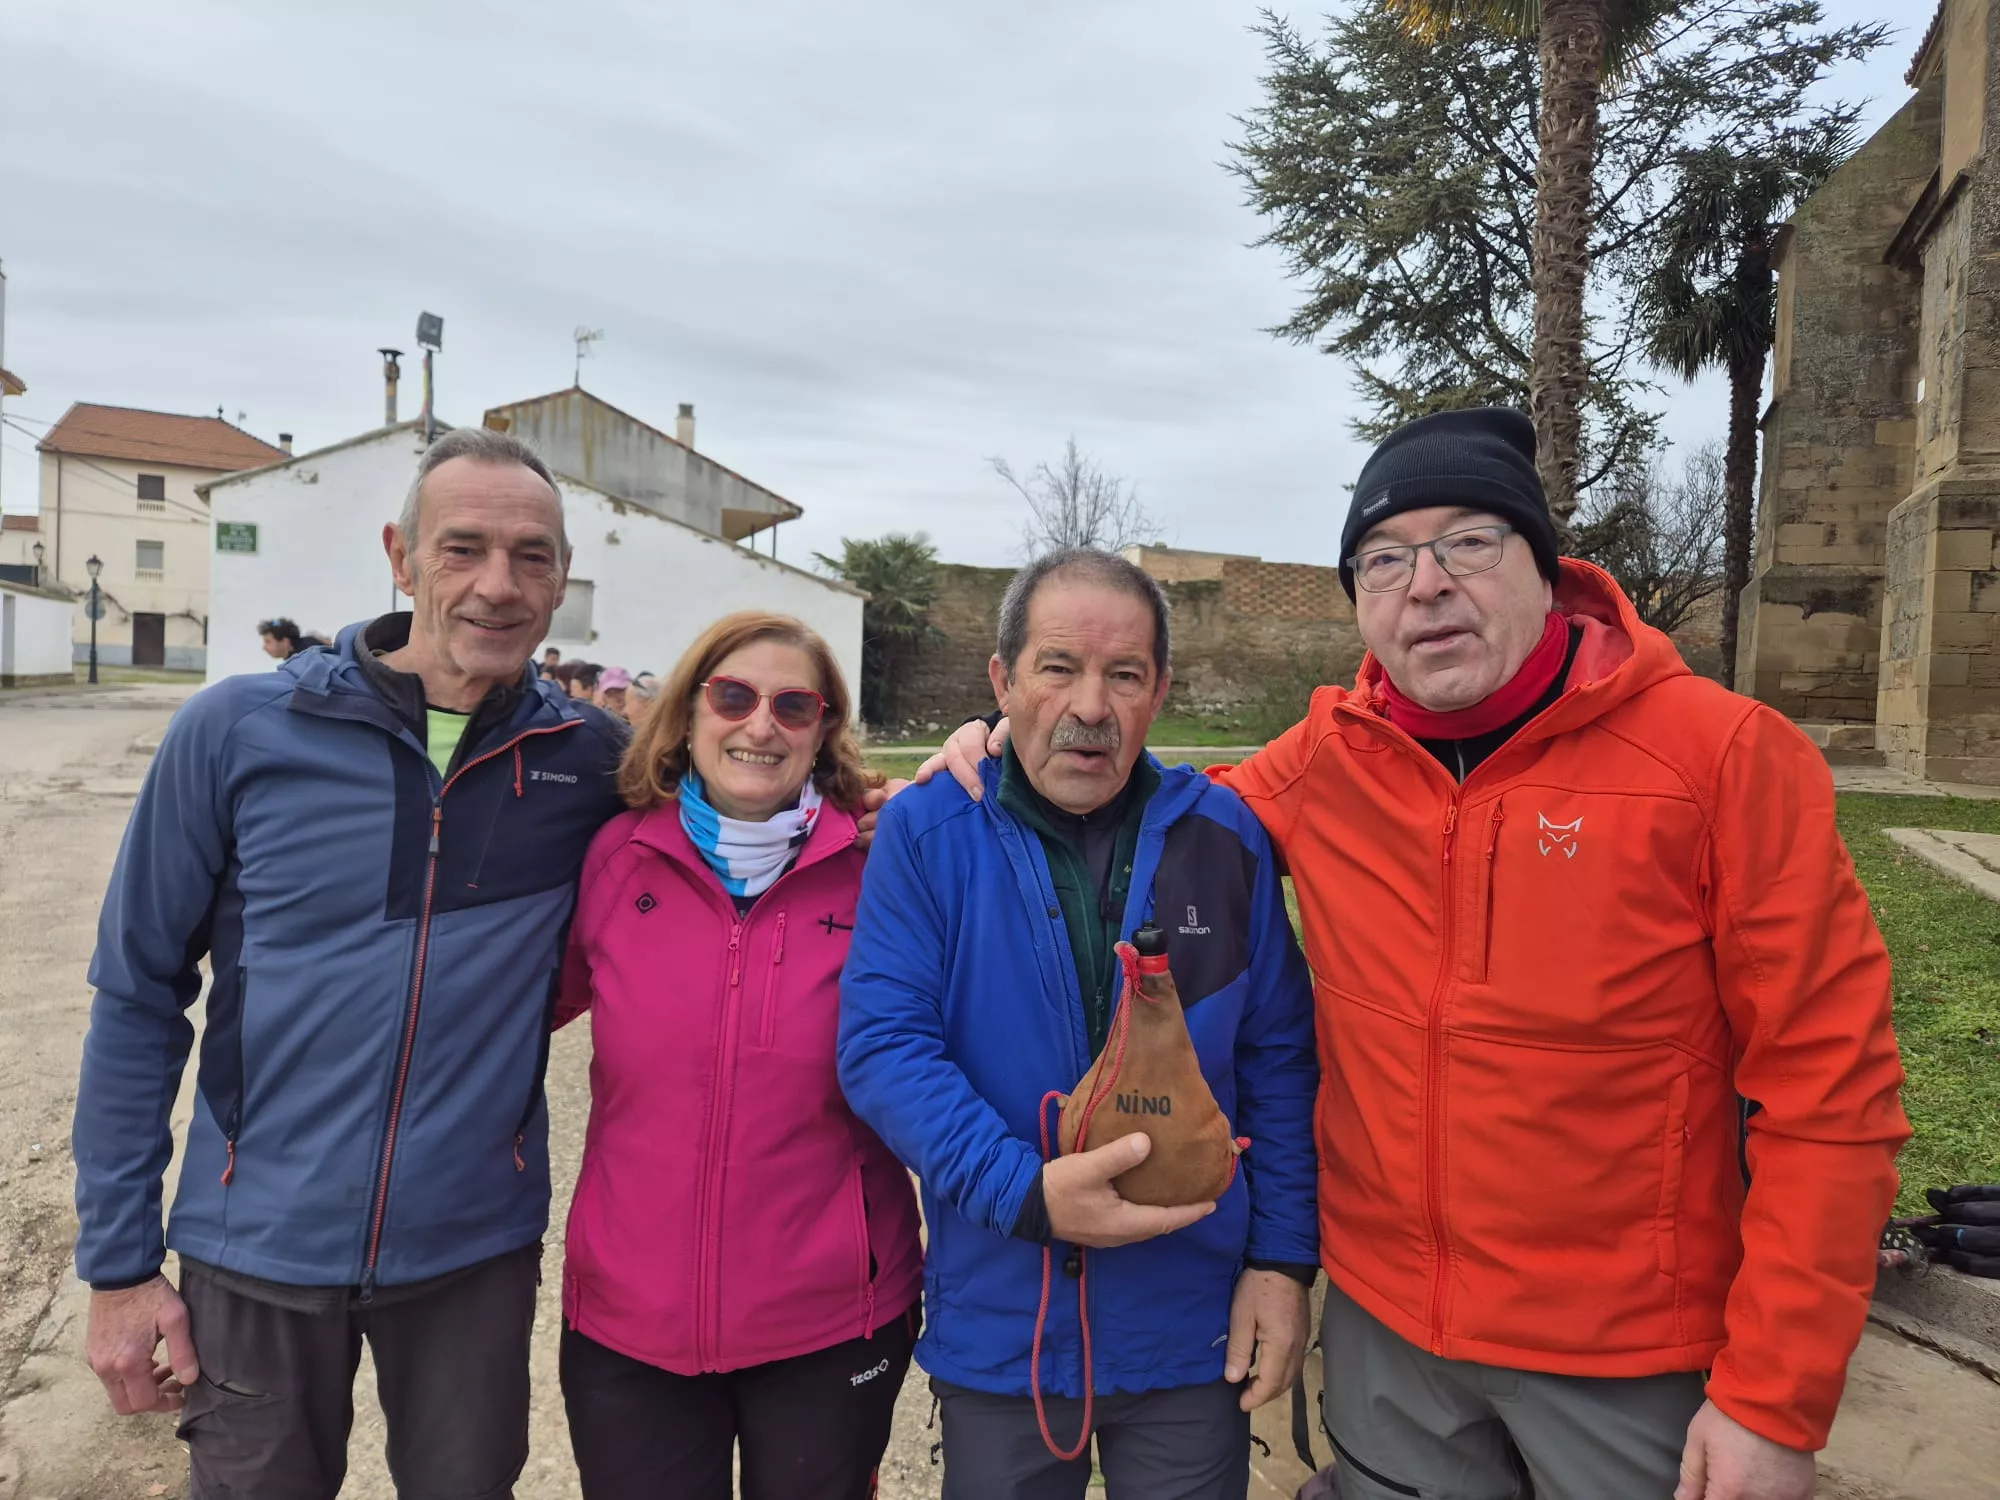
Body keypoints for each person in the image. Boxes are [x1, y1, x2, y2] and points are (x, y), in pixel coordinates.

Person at [931, 410, 1909, 1500]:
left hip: (1626, 1356)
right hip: (1392, 1346)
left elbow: (1832, 1097)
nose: (1425, 584)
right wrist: (990, 744)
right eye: (1383, 560)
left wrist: (1773, 1397)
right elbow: (1143, 812)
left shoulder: (1719, 758)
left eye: (1468, 544)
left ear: (1548, 568)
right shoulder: (1326, 763)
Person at [74, 426, 630, 1499]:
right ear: (401, 554)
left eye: (532, 557)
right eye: (462, 548)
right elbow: (137, 995)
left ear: (563, 578)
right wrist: (119, 1266)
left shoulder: (592, 763)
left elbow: (772, 809)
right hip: (257, 1243)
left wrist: (959, 759)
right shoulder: (240, 731)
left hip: (473, 1251)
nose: (497, 586)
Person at [841, 548, 1319, 1500]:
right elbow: (885, 1045)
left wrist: (1281, 1261)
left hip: (1191, 1328)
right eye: (1058, 667)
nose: (1091, 706)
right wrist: (1027, 1192)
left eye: (1125, 675)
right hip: (1005, 1322)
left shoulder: (1224, 841)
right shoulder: (928, 831)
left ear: (1160, 690)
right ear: (1003, 682)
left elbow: (1279, 1059)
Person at [555, 611, 923, 1499]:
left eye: (795, 706)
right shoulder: (615, 858)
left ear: (824, 730)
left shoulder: (885, 867)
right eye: (734, 696)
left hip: (832, 1322)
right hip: (628, 1320)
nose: (761, 725)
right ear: (688, 715)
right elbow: (511, 1015)